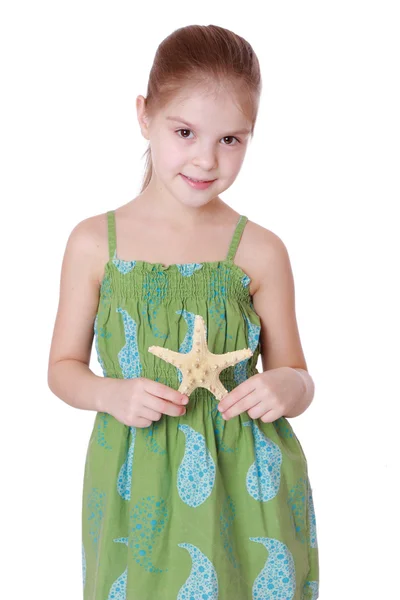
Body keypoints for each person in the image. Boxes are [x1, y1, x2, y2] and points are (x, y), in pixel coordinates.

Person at [47, 23, 319, 600]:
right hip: (133, 478)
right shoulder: (96, 244)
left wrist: (284, 386)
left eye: (231, 140)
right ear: (144, 116)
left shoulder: (260, 250)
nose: (206, 159)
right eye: (186, 131)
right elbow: (62, 367)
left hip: (250, 483)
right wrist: (110, 394)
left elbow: (298, 375)